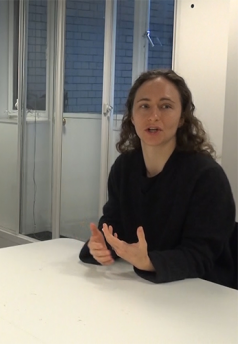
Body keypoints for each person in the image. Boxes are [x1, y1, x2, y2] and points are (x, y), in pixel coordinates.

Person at [79, 69, 237, 289]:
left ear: (182, 118)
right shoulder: (124, 168)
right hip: (143, 288)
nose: (154, 116)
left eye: (166, 106)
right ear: (132, 117)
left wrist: (149, 262)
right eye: (144, 106)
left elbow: (202, 255)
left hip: (202, 294)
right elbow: (114, 225)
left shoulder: (207, 177)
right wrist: (101, 245)